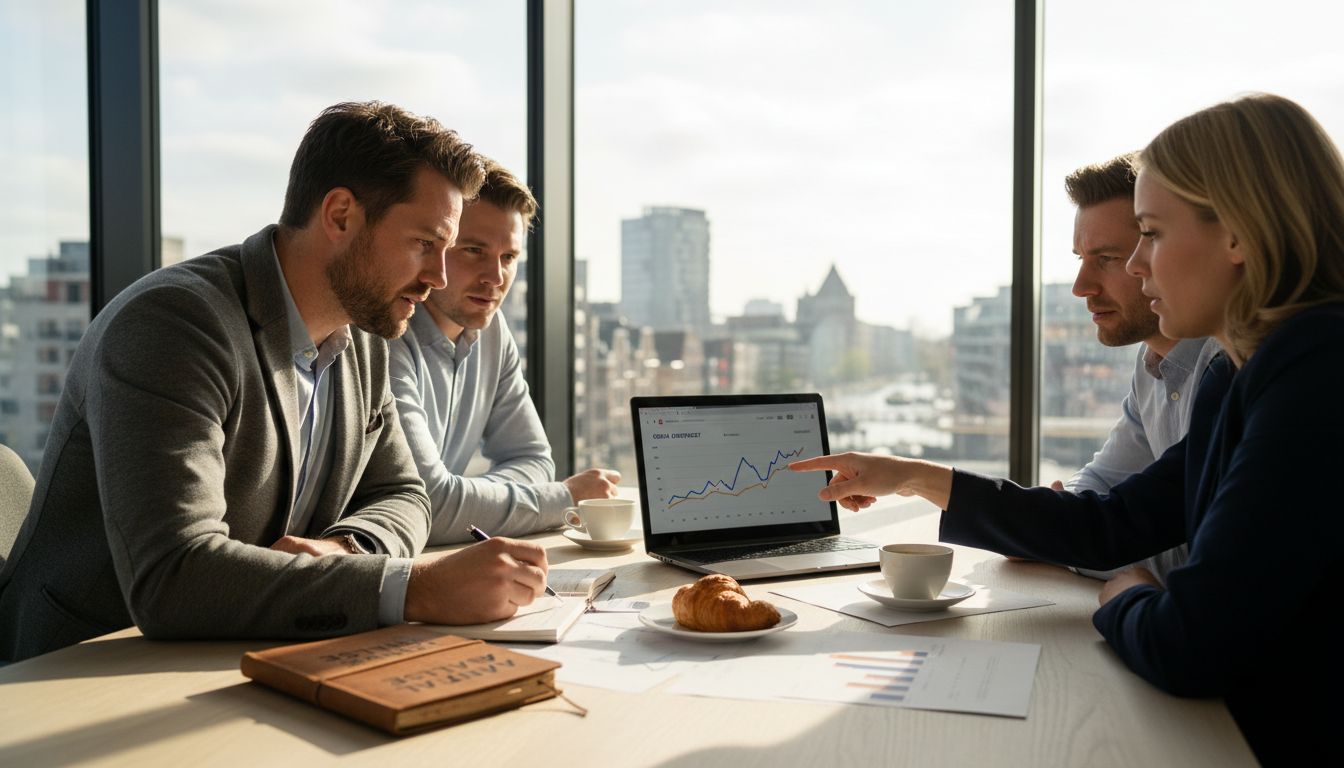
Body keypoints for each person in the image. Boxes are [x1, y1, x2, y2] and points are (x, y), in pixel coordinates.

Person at [791, 93, 1344, 762]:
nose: (1140, 265)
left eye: (1154, 232)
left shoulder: (1316, 374)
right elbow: (1110, 524)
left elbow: (1187, 644)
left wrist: (1126, 590)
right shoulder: (1248, 373)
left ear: (1238, 233)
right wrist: (912, 475)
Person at [0, 102, 550, 663]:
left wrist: (346, 548)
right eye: (424, 244)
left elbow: (403, 494)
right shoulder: (175, 325)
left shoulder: (362, 335)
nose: (437, 277)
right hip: (86, 668)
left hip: (251, 651)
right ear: (339, 214)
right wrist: (416, 587)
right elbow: (174, 574)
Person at [389, 158, 619, 545]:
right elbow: (427, 504)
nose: (495, 278)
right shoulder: (387, 336)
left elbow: (533, 460)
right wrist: (564, 498)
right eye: (474, 250)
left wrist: (468, 499)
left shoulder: (493, 330)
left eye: (509, 258)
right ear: (437, 246)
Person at [1059, 154, 1221, 583]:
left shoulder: (1229, 367)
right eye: (1080, 257)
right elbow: (1103, 478)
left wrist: (1059, 535)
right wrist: (1056, 522)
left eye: (1108, 258)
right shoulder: (1152, 363)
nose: (1081, 287)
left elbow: (1197, 561)